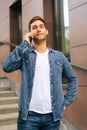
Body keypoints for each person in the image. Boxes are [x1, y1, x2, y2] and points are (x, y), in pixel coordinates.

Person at [2, 16, 78, 130]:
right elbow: (6, 66)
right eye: (34, 27)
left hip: (52, 117)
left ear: (46, 31)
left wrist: (66, 102)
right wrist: (24, 44)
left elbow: (73, 79)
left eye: (41, 26)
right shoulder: (25, 55)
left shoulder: (59, 56)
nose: (38, 29)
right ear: (30, 33)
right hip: (28, 117)